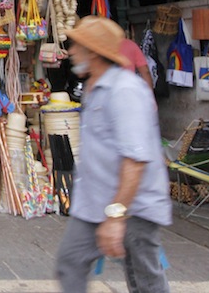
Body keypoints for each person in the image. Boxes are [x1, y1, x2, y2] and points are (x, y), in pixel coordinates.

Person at [56, 16, 172, 292]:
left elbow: (134, 160)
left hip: (132, 206)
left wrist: (116, 216)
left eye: (76, 45)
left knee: (144, 279)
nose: (70, 51)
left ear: (93, 51)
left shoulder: (125, 91)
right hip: (96, 202)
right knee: (70, 262)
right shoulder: (94, 88)